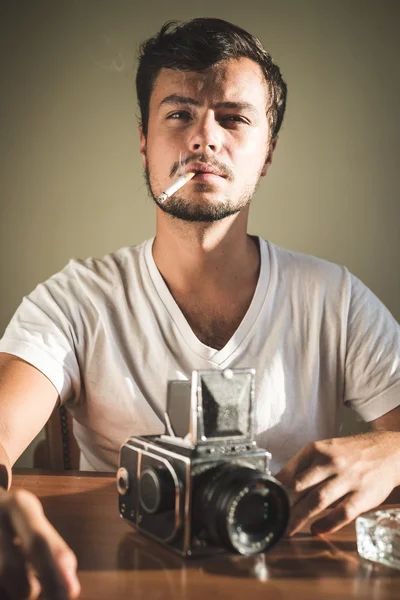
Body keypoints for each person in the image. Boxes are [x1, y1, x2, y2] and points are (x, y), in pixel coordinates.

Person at [0, 16, 399, 599]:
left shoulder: (333, 299)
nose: (203, 139)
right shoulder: (76, 299)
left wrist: (392, 451)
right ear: (144, 140)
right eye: (179, 114)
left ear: (267, 152)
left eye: (234, 118)